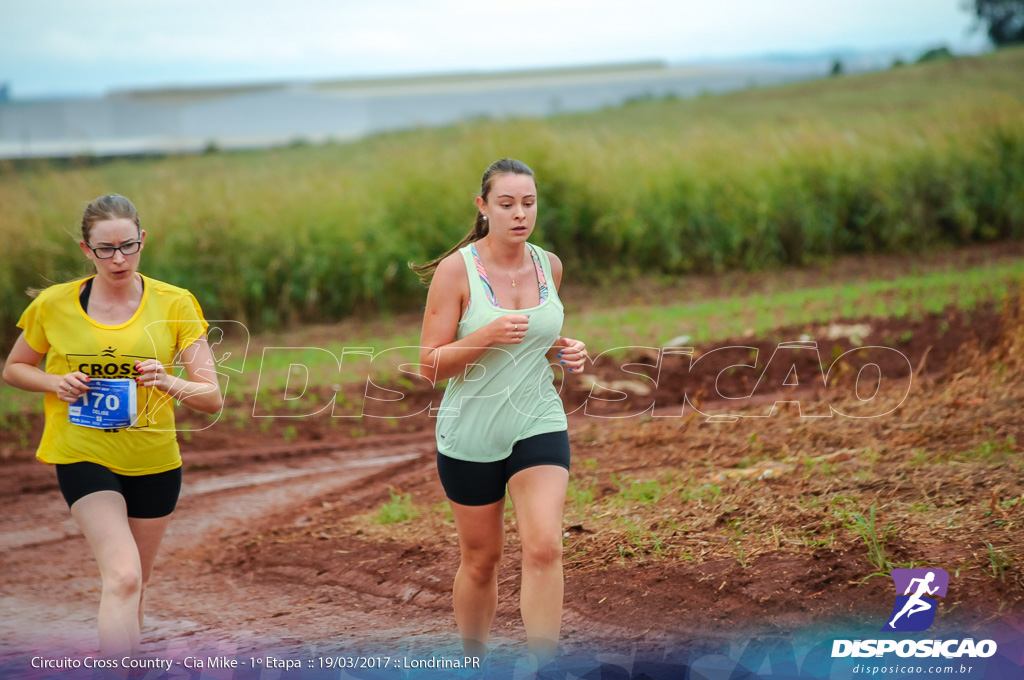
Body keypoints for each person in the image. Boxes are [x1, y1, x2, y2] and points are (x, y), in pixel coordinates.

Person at [2, 194, 223, 658]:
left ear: (143, 241)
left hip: (155, 459)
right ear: (87, 250)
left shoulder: (175, 303)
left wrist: (167, 380)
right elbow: (15, 368)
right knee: (122, 576)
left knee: (136, 585)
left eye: (127, 246)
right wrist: (54, 381)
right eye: (105, 249)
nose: (118, 258)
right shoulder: (54, 305)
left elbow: (211, 398)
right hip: (82, 451)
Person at [412, 158, 588, 668]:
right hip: (471, 430)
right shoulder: (455, 271)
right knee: (482, 561)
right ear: (483, 207)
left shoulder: (549, 265)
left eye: (528, 203)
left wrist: (562, 350)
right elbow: (428, 365)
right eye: (507, 204)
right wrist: (484, 336)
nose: (519, 214)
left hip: (536, 417)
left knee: (544, 547)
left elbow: (536, 340)